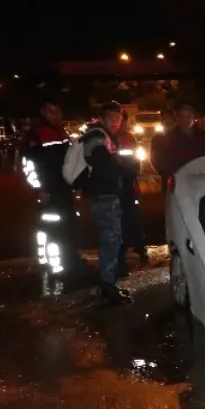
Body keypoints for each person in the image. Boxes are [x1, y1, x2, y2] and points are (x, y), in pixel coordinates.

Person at [76, 104, 133, 304]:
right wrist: (130, 172)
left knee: (112, 238)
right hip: (103, 196)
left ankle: (108, 282)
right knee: (111, 239)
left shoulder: (104, 136)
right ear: (102, 118)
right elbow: (105, 165)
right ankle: (107, 285)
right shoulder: (97, 137)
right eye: (111, 117)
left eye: (118, 118)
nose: (115, 121)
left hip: (105, 195)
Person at [23, 97, 85, 280]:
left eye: (58, 111)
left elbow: (68, 162)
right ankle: (56, 268)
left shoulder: (60, 132)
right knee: (53, 229)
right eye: (51, 111)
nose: (55, 115)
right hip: (48, 192)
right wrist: (39, 189)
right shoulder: (37, 135)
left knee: (68, 226)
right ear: (43, 112)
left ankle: (71, 263)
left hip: (63, 189)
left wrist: (75, 184)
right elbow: (28, 165)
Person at [107, 113, 146, 275]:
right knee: (118, 222)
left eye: (123, 121)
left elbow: (136, 161)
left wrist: (132, 172)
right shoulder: (107, 138)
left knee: (132, 217)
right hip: (115, 186)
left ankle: (139, 246)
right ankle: (120, 258)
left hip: (128, 185)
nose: (121, 124)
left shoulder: (129, 138)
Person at [152, 104, 205, 188]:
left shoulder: (203, 136)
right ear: (178, 118)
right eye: (182, 116)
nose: (185, 120)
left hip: (200, 181)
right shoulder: (169, 137)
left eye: (188, 116)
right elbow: (160, 162)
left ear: (193, 117)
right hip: (177, 182)